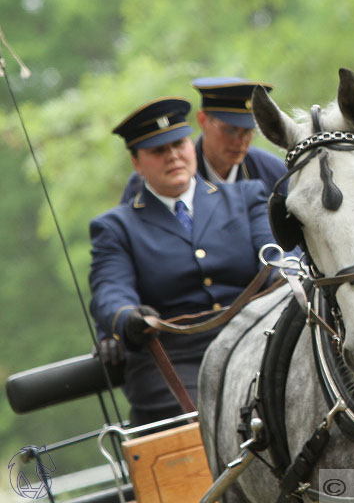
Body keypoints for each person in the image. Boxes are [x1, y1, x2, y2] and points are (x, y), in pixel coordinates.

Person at [90, 97, 276, 426]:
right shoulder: (115, 227)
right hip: (172, 357)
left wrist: (286, 273)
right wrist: (128, 317)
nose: (173, 156)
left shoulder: (246, 196)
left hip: (257, 333)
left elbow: (274, 255)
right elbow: (109, 290)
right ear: (136, 162)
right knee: (191, 429)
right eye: (158, 151)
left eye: (178, 144)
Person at [120, 77, 286, 202]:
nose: (240, 141)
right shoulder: (161, 177)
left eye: (248, 132)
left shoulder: (272, 172)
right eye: (230, 130)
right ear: (203, 120)